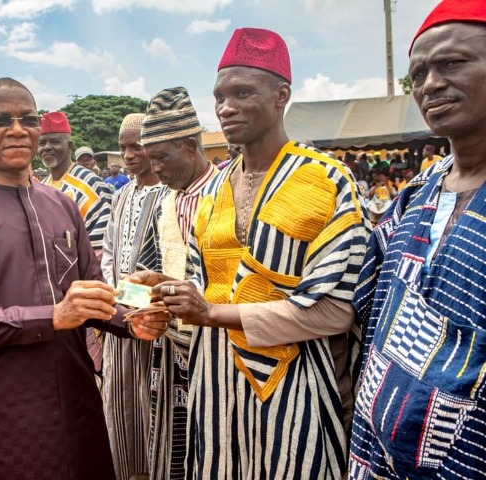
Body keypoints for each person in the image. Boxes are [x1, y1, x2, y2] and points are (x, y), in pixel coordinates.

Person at [0, 77, 169, 479]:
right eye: (1, 120)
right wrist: (51, 316)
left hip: (74, 398)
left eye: (28, 120)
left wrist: (133, 320)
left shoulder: (61, 204)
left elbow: (92, 291)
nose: (17, 130)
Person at [146, 29, 369, 479]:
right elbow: (206, 288)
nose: (225, 108)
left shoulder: (326, 180)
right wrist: (171, 292)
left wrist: (212, 313)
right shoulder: (214, 190)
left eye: (242, 93)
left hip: (297, 385)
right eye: (219, 97)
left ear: (281, 95)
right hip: (214, 386)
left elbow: (335, 311)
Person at [350, 1, 486, 478]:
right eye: (419, 74)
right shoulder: (414, 196)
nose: (429, 84)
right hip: (379, 455)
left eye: (452, 63)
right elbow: (366, 309)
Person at [131, 86, 218, 480]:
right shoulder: (164, 200)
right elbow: (152, 265)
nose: (156, 169)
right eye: (150, 159)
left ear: (190, 147)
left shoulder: (226, 194)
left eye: (162, 158)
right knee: (176, 444)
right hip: (172, 347)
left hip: (219, 348)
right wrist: (142, 292)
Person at [100, 113, 162, 480]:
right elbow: (109, 251)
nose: (129, 155)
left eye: (137, 147)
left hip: (155, 322)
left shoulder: (169, 195)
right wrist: (115, 299)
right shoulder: (121, 194)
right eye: (124, 148)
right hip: (119, 317)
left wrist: (140, 302)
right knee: (120, 400)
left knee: (151, 401)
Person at [41, 112, 112, 254]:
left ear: (69, 146)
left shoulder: (91, 183)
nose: (47, 147)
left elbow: (101, 244)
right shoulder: (42, 185)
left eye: (54, 142)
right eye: (42, 143)